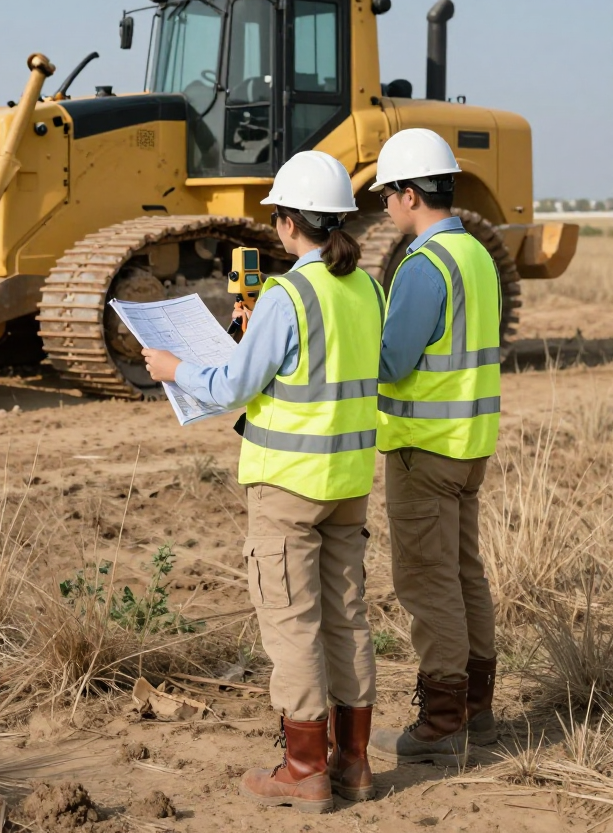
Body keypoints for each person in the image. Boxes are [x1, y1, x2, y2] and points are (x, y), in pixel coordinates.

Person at [142, 151, 384, 813]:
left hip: (288, 486)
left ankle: (305, 769)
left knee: (293, 622)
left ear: (284, 222)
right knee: (346, 618)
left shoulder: (288, 294)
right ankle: (355, 764)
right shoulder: (364, 288)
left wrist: (173, 369)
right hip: (349, 480)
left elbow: (234, 386)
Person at [367, 128, 501, 768]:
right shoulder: (474, 253)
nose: (384, 208)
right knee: (464, 574)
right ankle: (478, 713)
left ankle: (442, 724)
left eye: (388, 195)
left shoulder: (424, 264)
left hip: (424, 448)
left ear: (411, 193)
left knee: (427, 583)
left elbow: (391, 363)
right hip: (468, 444)